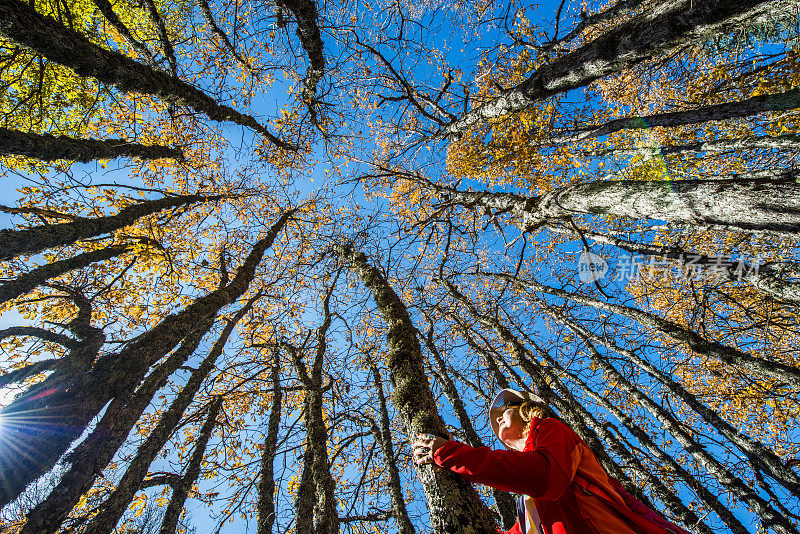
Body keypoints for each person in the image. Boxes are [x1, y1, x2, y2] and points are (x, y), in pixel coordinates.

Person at [413, 388, 691, 534]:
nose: (497, 418)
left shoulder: (552, 430)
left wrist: (450, 453)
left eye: (504, 409)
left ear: (526, 409)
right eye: (494, 422)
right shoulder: (526, 496)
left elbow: (546, 476)